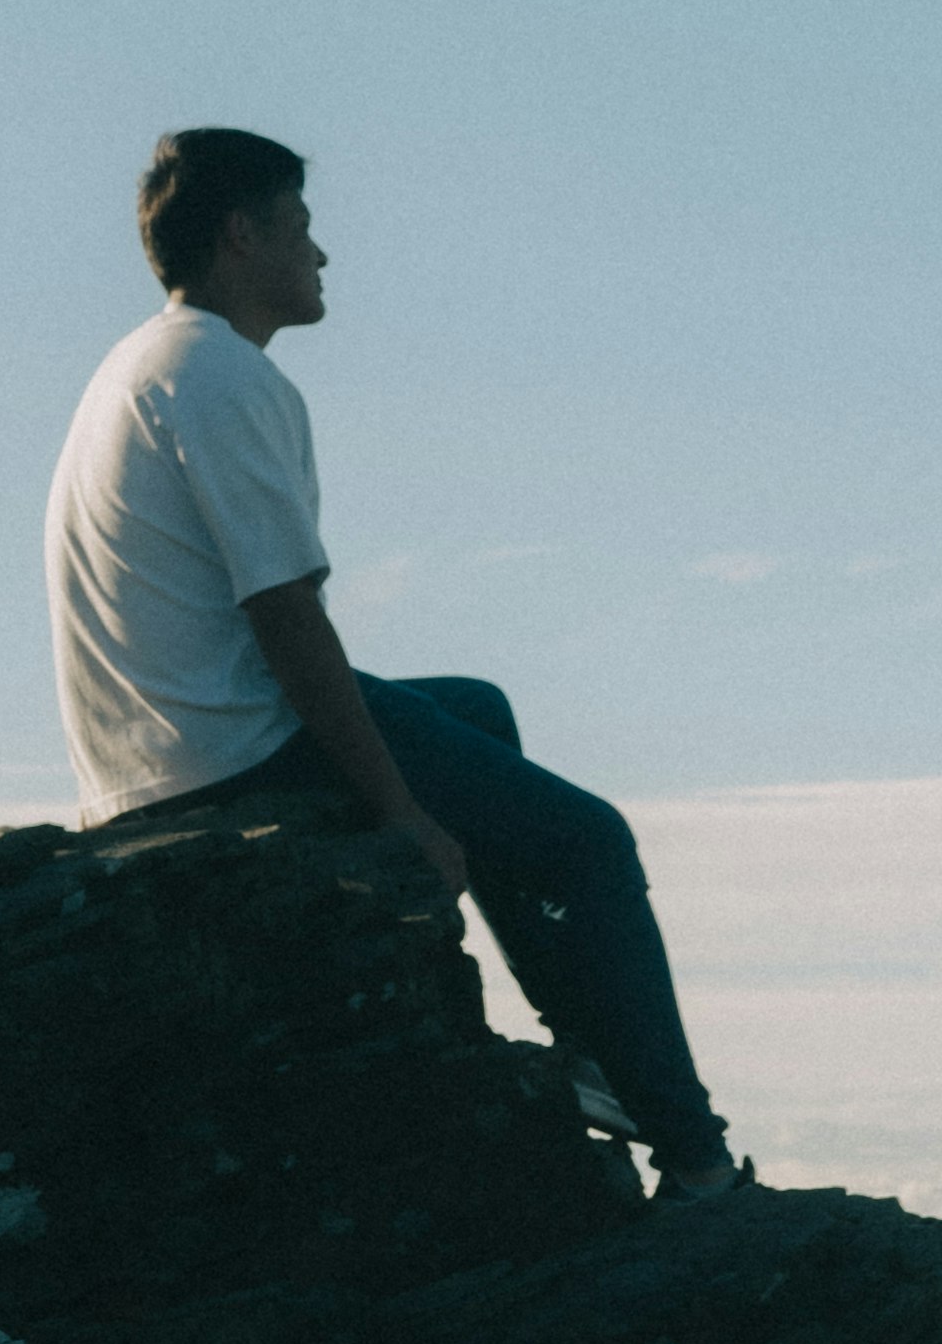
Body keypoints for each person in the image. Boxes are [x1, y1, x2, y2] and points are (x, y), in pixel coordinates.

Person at [44, 125, 748, 1196]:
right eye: (302, 228)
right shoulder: (222, 379)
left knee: (476, 707)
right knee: (591, 841)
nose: (321, 255)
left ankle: (595, 1056)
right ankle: (696, 1160)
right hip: (228, 753)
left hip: (152, 754)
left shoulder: (142, 364)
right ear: (241, 236)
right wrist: (399, 809)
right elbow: (285, 619)